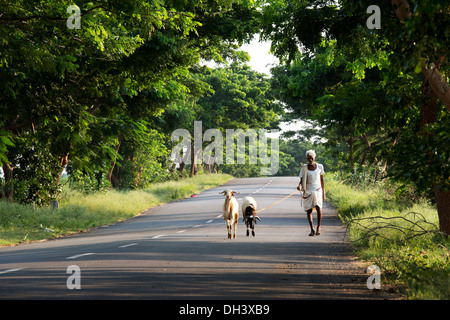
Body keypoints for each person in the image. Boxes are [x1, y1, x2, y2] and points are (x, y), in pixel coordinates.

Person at [297, 150, 325, 236]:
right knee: (309, 210)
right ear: (306, 158)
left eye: (311, 158)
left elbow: (322, 181)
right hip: (308, 191)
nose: (310, 160)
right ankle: (312, 228)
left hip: (318, 190)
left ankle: (318, 227)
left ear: (315, 158)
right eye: (308, 158)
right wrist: (300, 186)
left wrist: (324, 194)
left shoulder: (320, 166)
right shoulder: (304, 168)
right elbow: (301, 181)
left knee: (318, 208)